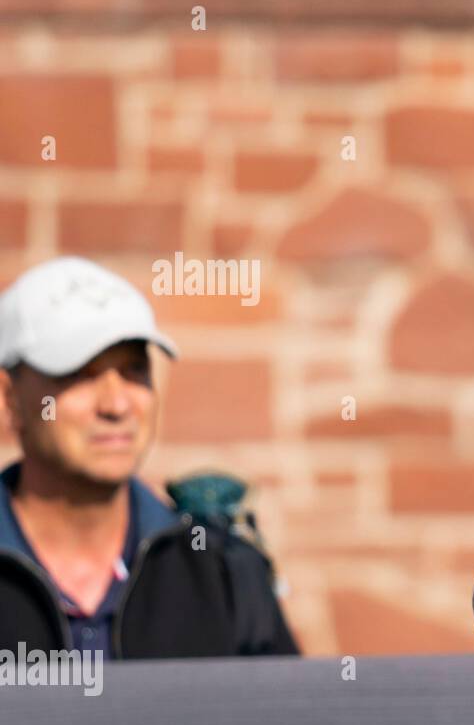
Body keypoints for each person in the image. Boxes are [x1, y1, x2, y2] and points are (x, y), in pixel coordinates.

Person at [0, 256, 298, 658]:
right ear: (10, 398)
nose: (117, 403)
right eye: (80, 374)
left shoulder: (221, 573)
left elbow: (290, 720)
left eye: (134, 371)